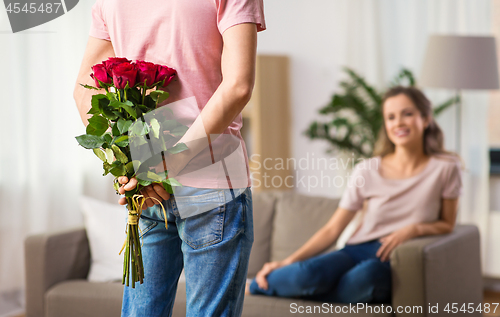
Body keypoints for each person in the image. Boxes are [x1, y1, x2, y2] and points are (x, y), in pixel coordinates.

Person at [73, 1, 265, 316]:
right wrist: (161, 168)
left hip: (148, 181)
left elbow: (84, 88)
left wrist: (132, 163)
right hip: (211, 176)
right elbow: (238, 85)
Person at [247, 86, 463, 304]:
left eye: (407, 114)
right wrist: (287, 262)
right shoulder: (367, 170)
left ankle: (303, 293)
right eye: (391, 117)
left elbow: (447, 223)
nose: (398, 123)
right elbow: (333, 228)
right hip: (356, 250)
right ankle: (254, 286)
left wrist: (413, 229)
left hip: (396, 258)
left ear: (425, 119)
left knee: (368, 277)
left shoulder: (445, 168)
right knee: (309, 273)